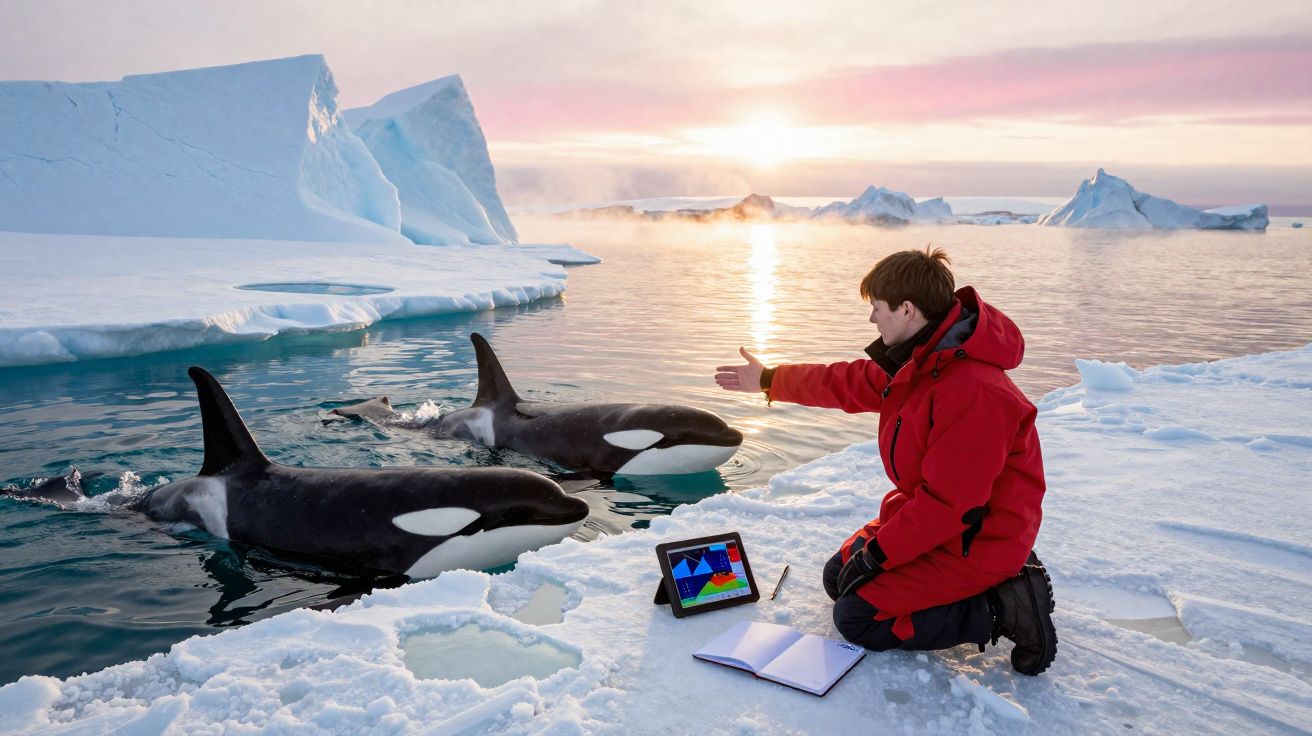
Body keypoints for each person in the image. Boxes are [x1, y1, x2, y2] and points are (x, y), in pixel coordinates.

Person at [714, 247, 1057, 675]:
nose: (872, 319)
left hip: (979, 539)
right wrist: (769, 380)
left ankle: (1004, 606)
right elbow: (849, 382)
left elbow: (949, 506)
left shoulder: (974, 393)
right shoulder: (924, 359)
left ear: (908, 309)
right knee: (838, 578)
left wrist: (878, 555)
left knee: (857, 618)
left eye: (877, 308)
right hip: (942, 522)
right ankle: (966, 590)